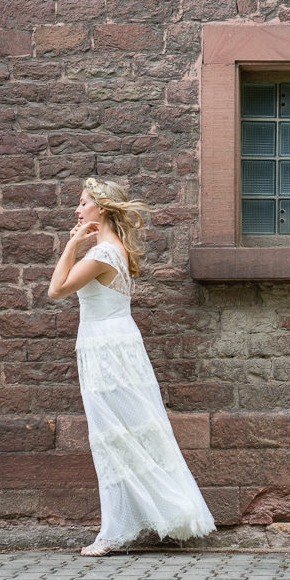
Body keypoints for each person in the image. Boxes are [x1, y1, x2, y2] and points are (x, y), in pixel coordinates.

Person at [48, 177, 215, 556]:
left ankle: (114, 531)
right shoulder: (114, 249)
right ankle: (156, 514)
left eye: (83, 203)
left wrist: (73, 243)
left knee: (111, 437)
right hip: (115, 343)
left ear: (101, 209)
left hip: (106, 347)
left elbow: (56, 290)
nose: (77, 210)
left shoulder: (102, 254)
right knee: (125, 433)